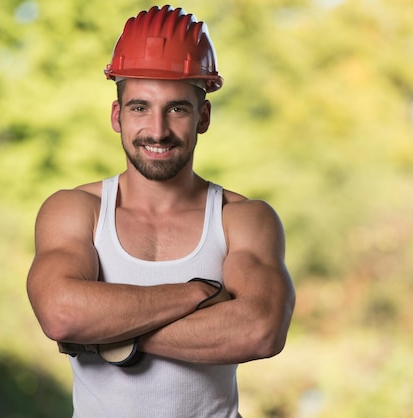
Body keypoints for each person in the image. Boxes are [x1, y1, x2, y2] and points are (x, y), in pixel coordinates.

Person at [26, 5, 295, 417]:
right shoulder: (77, 211)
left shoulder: (242, 219)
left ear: (202, 116)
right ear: (117, 116)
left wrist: (105, 335)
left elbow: (261, 330)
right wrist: (199, 294)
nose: (157, 130)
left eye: (177, 109)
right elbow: (61, 315)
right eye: (139, 107)